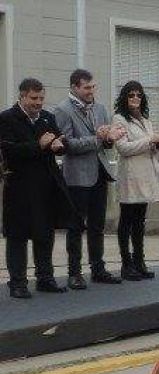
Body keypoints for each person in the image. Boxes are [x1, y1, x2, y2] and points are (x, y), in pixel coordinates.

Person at [54, 69, 126, 289]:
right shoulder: (62, 110)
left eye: (93, 87)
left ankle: (98, 268)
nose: (91, 91)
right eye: (86, 87)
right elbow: (68, 145)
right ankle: (74, 272)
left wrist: (109, 139)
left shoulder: (101, 108)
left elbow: (105, 145)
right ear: (74, 87)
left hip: (100, 173)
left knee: (97, 225)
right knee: (76, 226)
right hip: (77, 176)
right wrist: (98, 138)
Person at [0, 78, 72, 298]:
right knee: (17, 236)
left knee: (45, 234)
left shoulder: (48, 118)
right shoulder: (7, 119)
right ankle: (18, 283)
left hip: (46, 186)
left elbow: (59, 142)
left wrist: (60, 146)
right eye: (33, 98)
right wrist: (39, 145)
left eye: (41, 98)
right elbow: (9, 150)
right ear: (22, 97)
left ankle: (45, 278)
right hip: (19, 187)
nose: (38, 102)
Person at [111, 80, 159, 281]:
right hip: (130, 176)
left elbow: (150, 147)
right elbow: (123, 148)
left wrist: (157, 144)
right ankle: (126, 264)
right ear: (125, 98)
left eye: (138, 95)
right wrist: (151, 140)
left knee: (139, 221)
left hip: (146, 174)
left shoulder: (146, 120)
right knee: (127, 220)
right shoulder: (119, 119)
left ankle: (139, 261)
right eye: (131, 95)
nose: (135, 98)